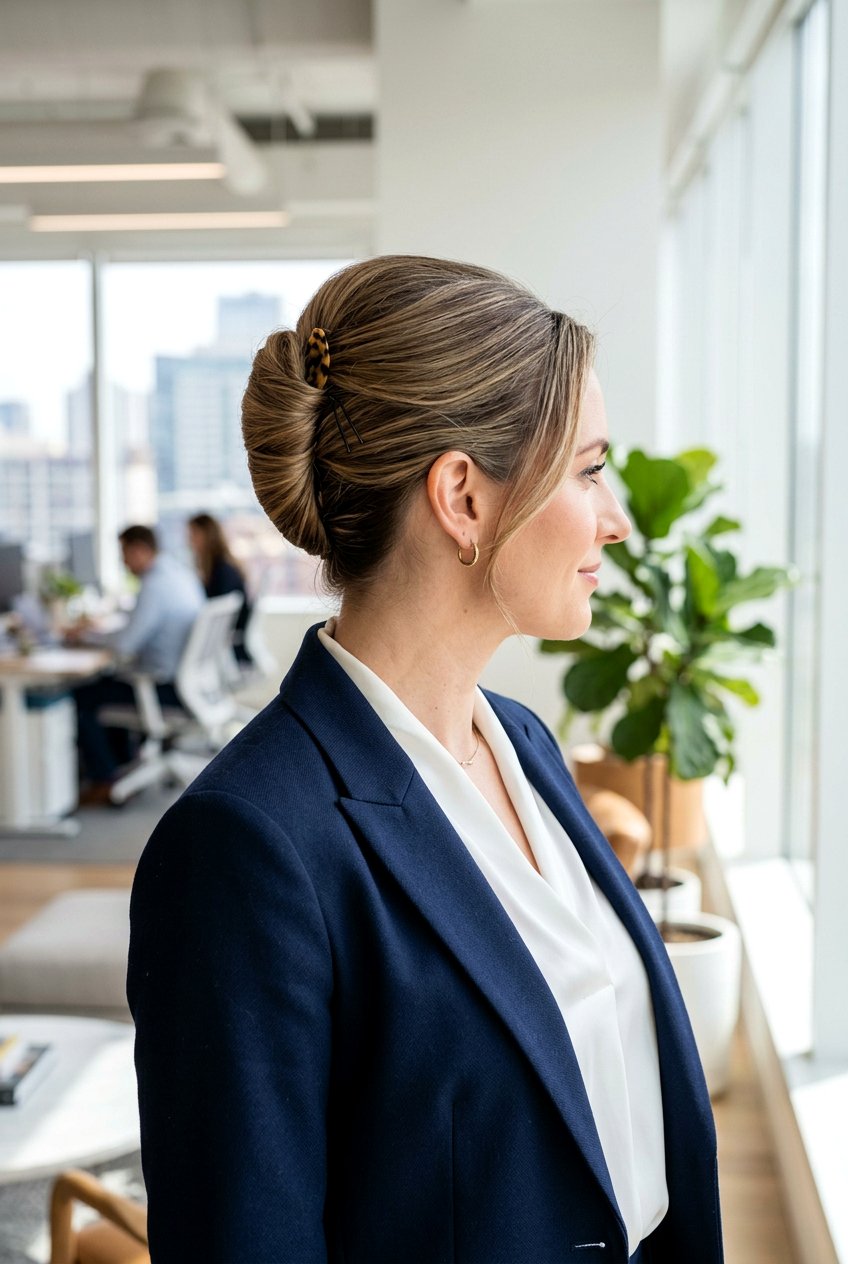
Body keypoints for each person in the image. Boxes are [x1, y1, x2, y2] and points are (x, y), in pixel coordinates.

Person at [128, 257, 724, 1263]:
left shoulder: (524, 745)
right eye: (586, 470)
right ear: (461, 495)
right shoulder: (249, 847)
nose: (612, 518)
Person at [71, 524, 204, 804]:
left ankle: (105, 780)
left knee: (82, 696)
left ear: (139, 550)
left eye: (124, 553)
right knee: (105, 683)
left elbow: (124, 645)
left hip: (161, 688)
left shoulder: (155, 586)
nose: (123, 562)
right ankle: (123, 763)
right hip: (188, 683)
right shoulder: (178, 573)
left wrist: (83, 636)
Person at [186, 512, 252, 663]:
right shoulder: (220, 566)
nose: (189, 541)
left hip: (228, 645)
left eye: (193, 534)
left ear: (208, 536)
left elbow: (214, 609)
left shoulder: (222, 571)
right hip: (226, 643)